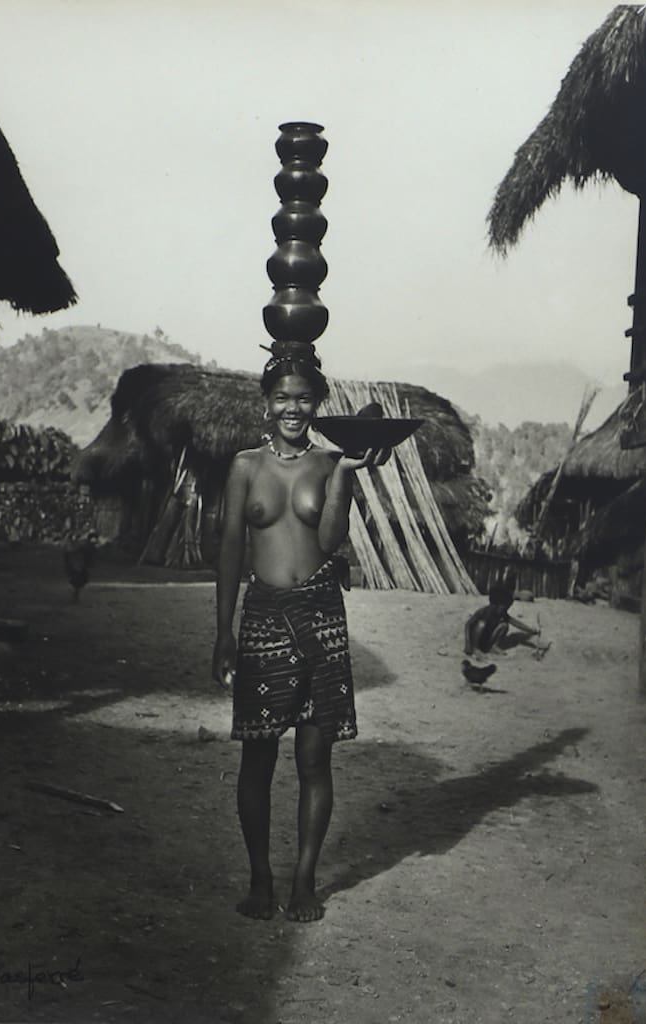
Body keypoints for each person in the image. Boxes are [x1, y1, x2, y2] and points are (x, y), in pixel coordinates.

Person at [212, 341, 389, 924]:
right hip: (263, 617)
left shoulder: (331, 463)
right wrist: (224, 631)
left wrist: (346, 472)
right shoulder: (244, 467)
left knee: (315, 759)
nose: (293, 408)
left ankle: (305, 881)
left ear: (318, 403)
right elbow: (231, 552)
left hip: (321, 614)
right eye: (283, 397)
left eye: (304, 398)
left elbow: (333, 538)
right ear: (266, 403)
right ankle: (261, 879)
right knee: (257, 757)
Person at [464, 580, 542, 657]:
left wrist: (531, 631)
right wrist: (467, 643)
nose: (506, 609)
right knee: (481, 624)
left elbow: (516, 623)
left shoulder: (502, 614)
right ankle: (475, 649)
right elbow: (468, 625)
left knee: (504, 625)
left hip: (487, 640)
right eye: (505, 607)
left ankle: (493, 646)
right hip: (476, 639)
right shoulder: (484, 611)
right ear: (497, 604)